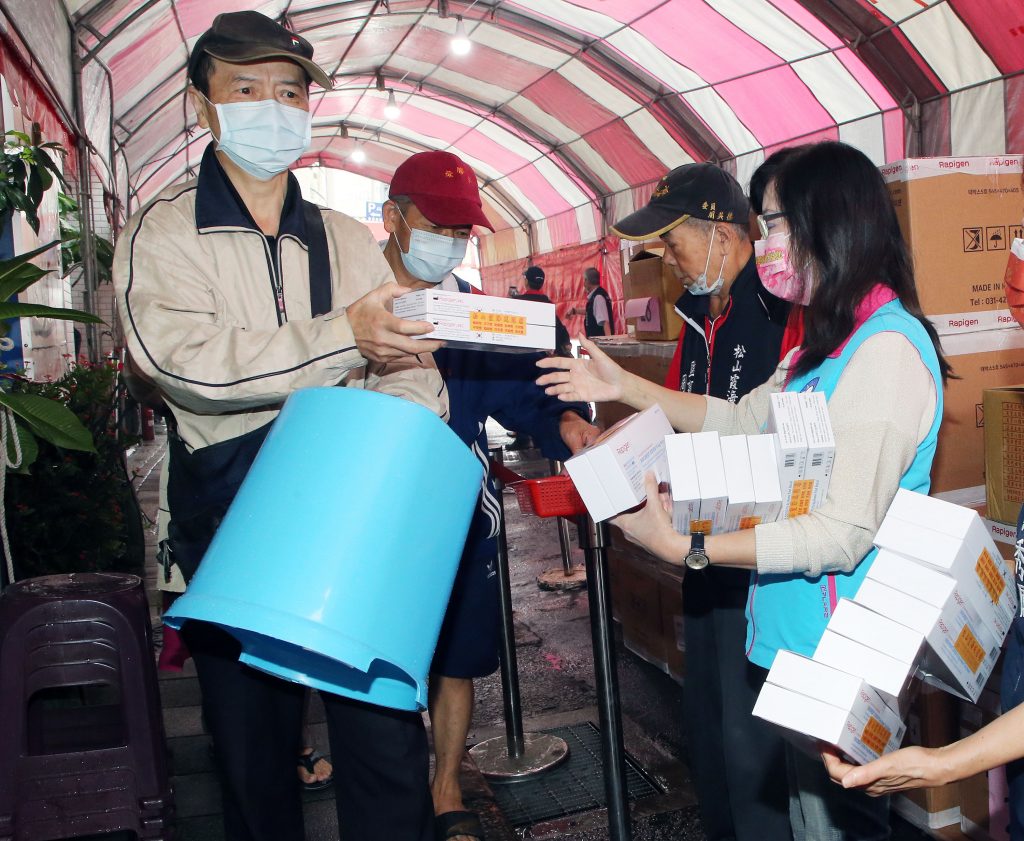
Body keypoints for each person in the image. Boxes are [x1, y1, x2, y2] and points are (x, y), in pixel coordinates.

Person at [538, 140, 951, 841]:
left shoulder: (885, 352)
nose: (766, 243)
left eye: (777, 223)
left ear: (829, 222)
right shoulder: (826, 344)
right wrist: (625, 386)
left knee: (838, 824)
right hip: (798, 639)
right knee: (806, 816)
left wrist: (689, 546)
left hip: (842, 650)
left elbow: (840, 534)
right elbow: (737, 418)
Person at [113, 12, 450, 841]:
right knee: (254, 764)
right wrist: (342, 338)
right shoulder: (166, 231)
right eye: (246, 88)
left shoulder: (344, 238)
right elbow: (184, 362)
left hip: (353, 527)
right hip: (233, 531)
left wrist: (388, 432)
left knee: (386, 750)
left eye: (290, 92)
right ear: (203, 105)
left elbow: (414, 370)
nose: (273, 106)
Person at [381, 149, 599, 841]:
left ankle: (447, 782)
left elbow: (525, 393)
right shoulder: (355, 306)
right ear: (393, 220)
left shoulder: (473, 313)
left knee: (457, 655)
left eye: (460, 231)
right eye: (436, 226)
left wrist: (568, 422)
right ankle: (390, 785)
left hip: (458, 510)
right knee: (381, 657)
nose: (449, 242)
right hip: (373, 511)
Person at [609, 161, 793, 841]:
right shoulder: (695, 317)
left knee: (753, 745)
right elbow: (673, 417)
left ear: (722, 231)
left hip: (758, 560)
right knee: (709, 728)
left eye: (673, 241)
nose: (668, 259)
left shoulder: (781, 310)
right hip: (699, 552)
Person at [519, 266, 572, 356]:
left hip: (522, 355)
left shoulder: (518, 302)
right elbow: (558, 328)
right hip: (545, 356)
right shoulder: (548, 304)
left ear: (526, 281)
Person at [568, 266, 613, 337]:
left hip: (599, 341)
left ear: (587, 281)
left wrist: (609, 340)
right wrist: (575, 311)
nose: (584, 284)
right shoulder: (598, 295)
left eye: (584, 280)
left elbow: (605, 322)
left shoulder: (598, 298)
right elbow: (592, 312)